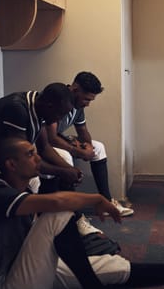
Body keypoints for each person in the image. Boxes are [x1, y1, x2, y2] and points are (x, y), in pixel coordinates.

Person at [0, 137, 164, 289]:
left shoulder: (23, 188)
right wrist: (97, 199)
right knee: (59, 211)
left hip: (25, 267)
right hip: (5, 287)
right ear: (11, 164)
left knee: (113, 266)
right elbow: (57, 204)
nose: (38, 158)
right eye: (30, 154)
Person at [0, 83, 82, 191]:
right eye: (60, 114)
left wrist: (70, 170)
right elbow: (21, 160)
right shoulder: (17, 108)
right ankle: (30, 221)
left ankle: (59, 214)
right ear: (50, 106)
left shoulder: (40, 107)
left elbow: (45, 148)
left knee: (61, 160)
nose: (59, 119)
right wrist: (62, 172)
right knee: (28, 177)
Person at [45, 71, 134, 216]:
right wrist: (78, 151)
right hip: (41, 141)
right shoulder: (59, 98)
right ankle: (73, 213)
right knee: (66, 156)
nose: (88, 104)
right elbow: (50, 137)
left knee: (98, 147)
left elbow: (83, 131)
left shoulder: (78, 107)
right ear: (75, 90)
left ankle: (106, 202)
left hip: (57, 138)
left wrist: (88, 147)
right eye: (86, 99)